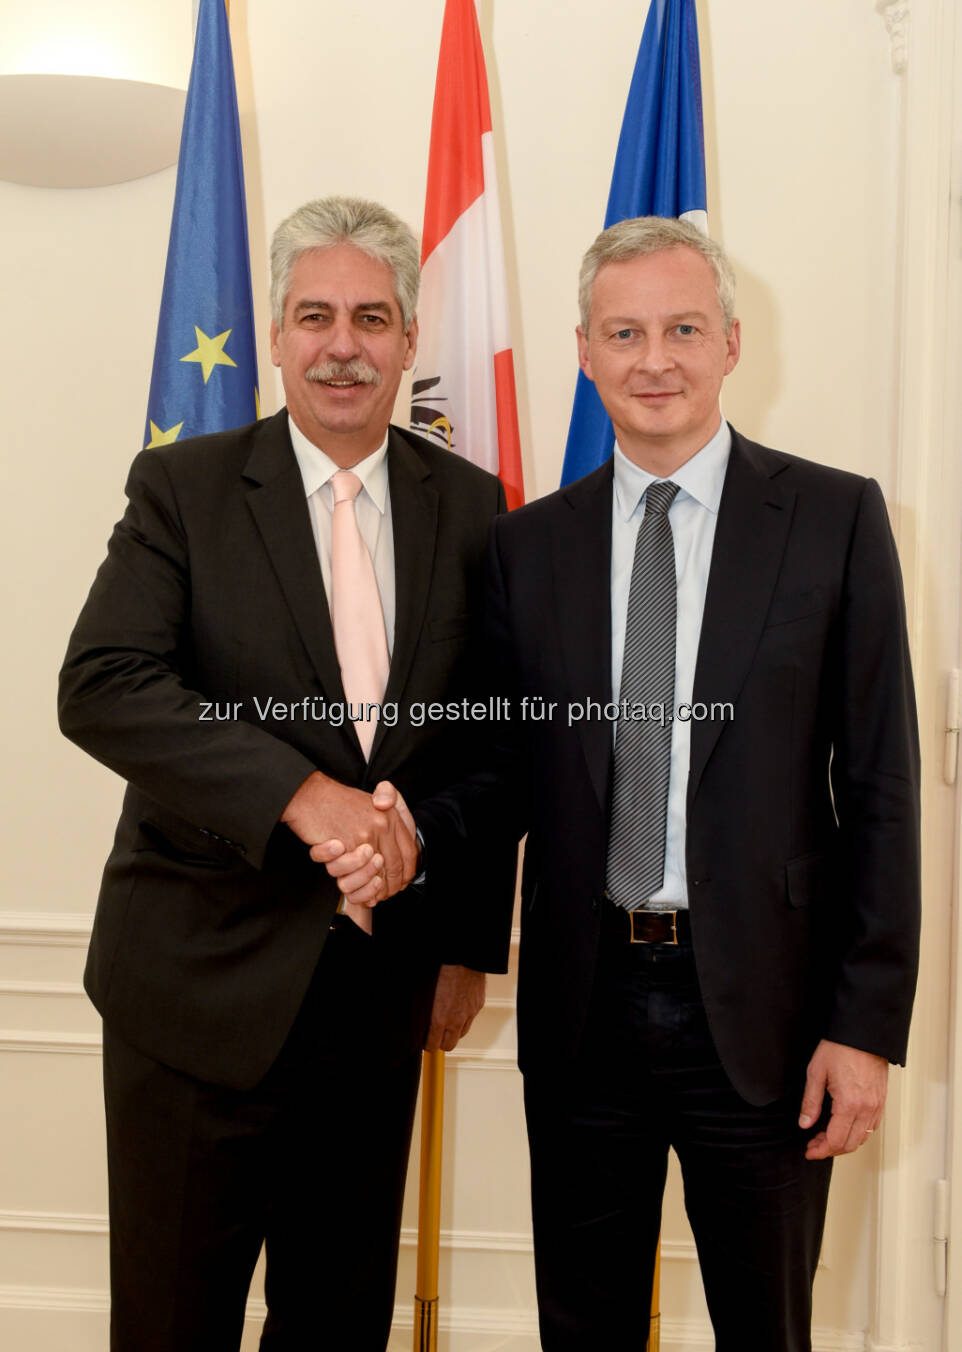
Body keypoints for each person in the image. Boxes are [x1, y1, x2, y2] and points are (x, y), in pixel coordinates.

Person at [381, 216, 921, 1351]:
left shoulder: (832, 521)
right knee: (583, 1323)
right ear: (584, 351)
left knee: (764, 1326)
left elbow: (877, 787)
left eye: (681, 328)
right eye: (623, 333)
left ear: (730, 342)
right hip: (584, 1014)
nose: (653, 359)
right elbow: (500, 772)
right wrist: (413, 852)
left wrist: (861, 1026)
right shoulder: (525, 549)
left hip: (770, 1022)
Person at [58, 195, 516, 1352]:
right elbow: (104, 682)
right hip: (194, 992)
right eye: (314, 315)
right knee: (171, 1324)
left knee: (336, 1323)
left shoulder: (468, 506)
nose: (342, 344)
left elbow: (494, 739)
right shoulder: (186, 491)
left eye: (371, 316)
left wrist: (463, 940)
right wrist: (296, 794)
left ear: (410, 338)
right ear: (273, 335)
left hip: (375, 998)